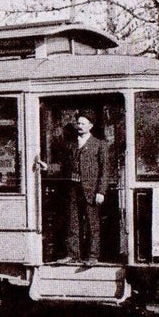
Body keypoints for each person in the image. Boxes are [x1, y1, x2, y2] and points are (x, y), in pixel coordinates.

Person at [60, 113, 109, 264]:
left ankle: (93, 256)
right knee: (73, 222)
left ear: (90, 126)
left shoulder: (99, 144)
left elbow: (104, 170)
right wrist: (47, 167)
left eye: (82, 123)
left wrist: (101, 191)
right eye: (78, 123)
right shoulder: (71, 144)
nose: (79, 126)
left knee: (92, 222)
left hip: (91, 189)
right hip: (74, 189)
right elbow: (64, 167)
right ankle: (73, 254)